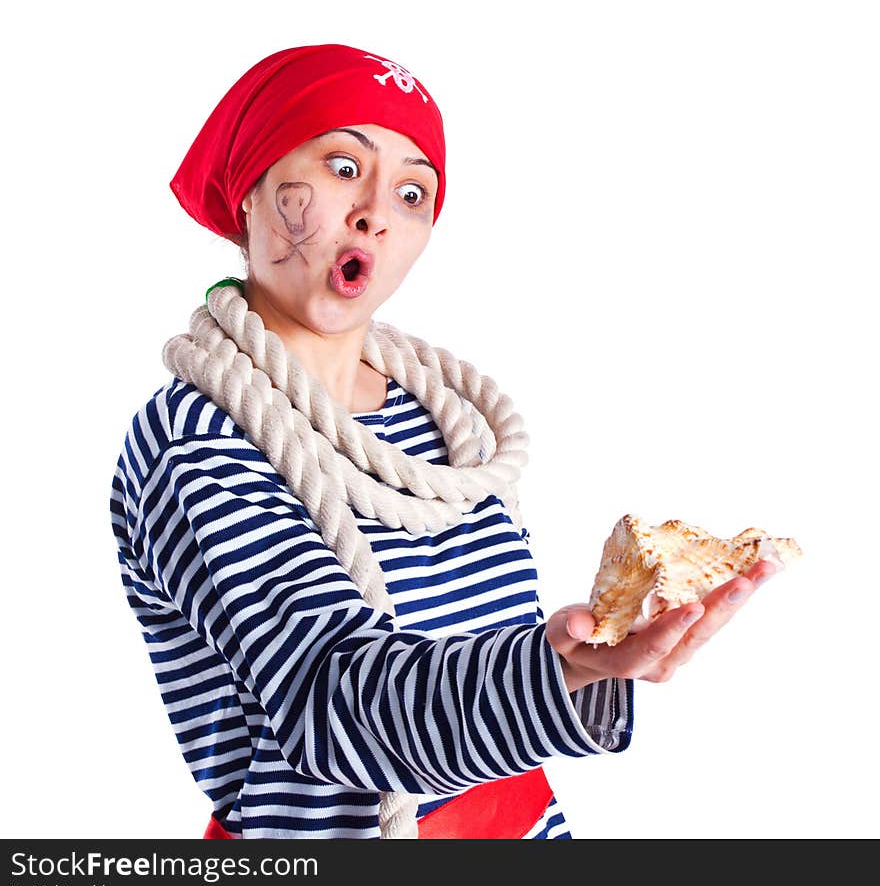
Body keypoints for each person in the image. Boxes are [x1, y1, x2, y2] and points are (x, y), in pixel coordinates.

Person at [109, 43, 775, 840]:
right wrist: (556, 669)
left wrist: (597, 653)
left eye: (413, 191)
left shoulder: (445, 419)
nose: (376, 212)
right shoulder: (195, 438)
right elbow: (330, 704)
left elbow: (492, 661)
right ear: (251, 188)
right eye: (343, 166)